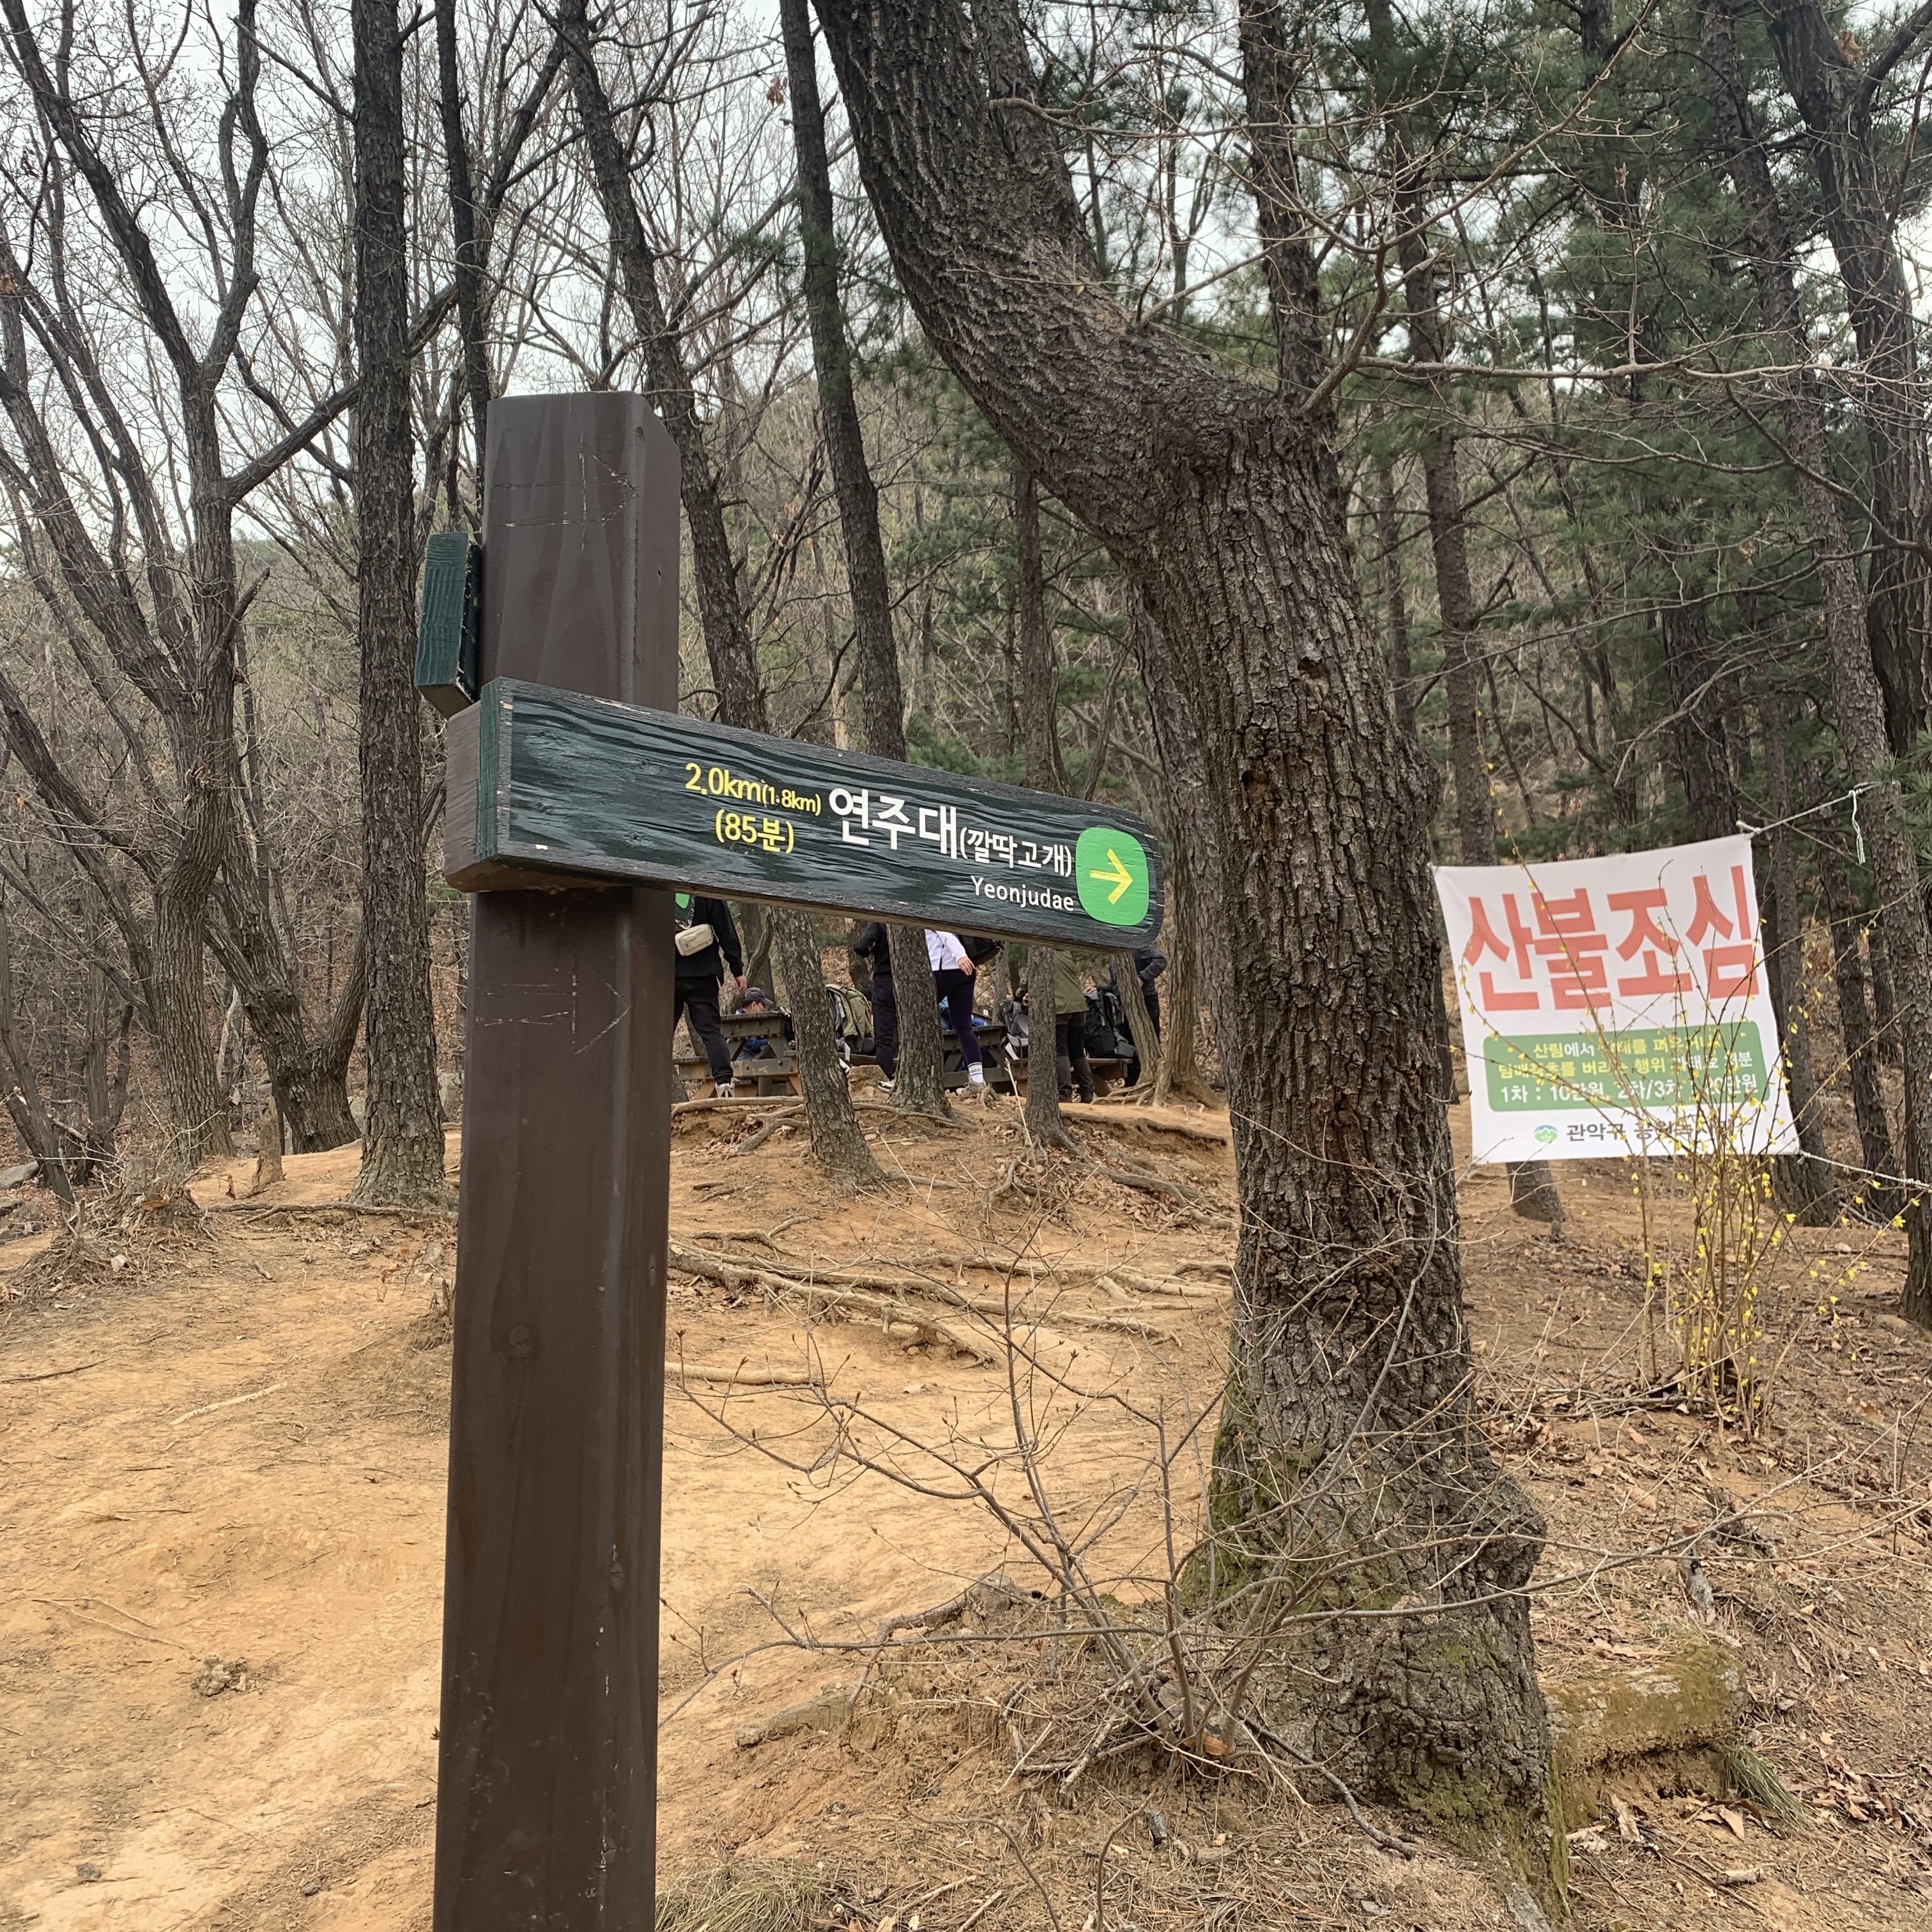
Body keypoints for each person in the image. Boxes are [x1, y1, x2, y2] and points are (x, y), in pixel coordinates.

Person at [673, 893, 744, 1096]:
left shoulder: (659, 888)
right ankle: (724, 1084)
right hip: (703, 973)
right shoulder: (705, 889)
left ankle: (647, 1086)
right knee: (711, 1032)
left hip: (667, 974)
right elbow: (725, 930)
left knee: (659, 1035)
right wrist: (737, 969)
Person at [925, 928, 985, 1089]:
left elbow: (944, 931)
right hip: (966, 970)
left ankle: (912, 1075)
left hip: (943, 968)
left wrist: (960, 955)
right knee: (964, 1028)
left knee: (916, 1019)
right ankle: (978, 1081)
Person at [852, 921, 897, 1089]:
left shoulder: (880, 923)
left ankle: (887, 1076)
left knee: (884, 1035)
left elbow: (860, 947)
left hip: (884, 981)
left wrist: (872, 950)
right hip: (909, 982)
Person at [1054, 950, 1094, 1103]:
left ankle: (1065, 1093)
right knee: (1077, 1051)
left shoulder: (1042, 951)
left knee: (1061, 1050)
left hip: (1060, 1008)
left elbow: (1027, 981)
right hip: (1079, 1006)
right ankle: (1088, 1091)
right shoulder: (1066, 952)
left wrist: (1020, 994)